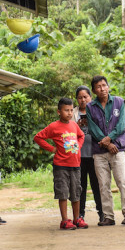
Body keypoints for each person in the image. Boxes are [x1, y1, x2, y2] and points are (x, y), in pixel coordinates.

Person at [87, 76, 125, 226]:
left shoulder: (119, 102)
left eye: (104, 85)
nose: (102, 89)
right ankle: (108, 216)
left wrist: (110, 139)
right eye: (98, 87)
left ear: (108, 86)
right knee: (104, 184)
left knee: (122, 181)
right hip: (99, 150)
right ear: (94, 90)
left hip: (118, 148)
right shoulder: (90, 106)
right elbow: (93, 129)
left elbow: (121, 125)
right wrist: (107, 144)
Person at [34, 98, 86, 229]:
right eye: (66, 110)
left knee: (76, 193)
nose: (69, 113)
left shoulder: (74, 125)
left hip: (75, 165)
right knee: (62, 193)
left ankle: (76, 219)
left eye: (70, 110)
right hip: (61, 166)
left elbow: (81, 136)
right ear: (59, 111)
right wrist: (52, 149)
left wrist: (79, 146)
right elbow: (38, 137)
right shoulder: (53, 126)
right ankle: (64, 220)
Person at [73, 86, 103, 223]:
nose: (83, 99)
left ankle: (103, 214)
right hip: (79, 156)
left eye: (86, 97)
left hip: (95, 154)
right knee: (80, 186)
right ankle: (80, 215)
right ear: (77, 100)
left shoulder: (97, 111)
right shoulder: (72, 113)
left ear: (90, 97)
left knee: (97, 186)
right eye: (80, 97)